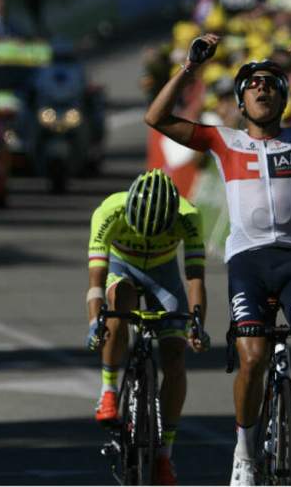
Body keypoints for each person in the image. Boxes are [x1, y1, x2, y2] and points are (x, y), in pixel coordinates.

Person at [144, 33, 291, 485]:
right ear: (241, 101)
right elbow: (156, 117)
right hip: (248, 264)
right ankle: (245, 454)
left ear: (283, 98)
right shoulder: (224, 141)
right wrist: (191, 66)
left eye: (271, 83)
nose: (262, 88)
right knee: (251, 358)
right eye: (253, 85)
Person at [85, 169, 209, 486]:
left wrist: (197, 324)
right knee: (119, 303)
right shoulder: (109, 211)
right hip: (121, 268)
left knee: (175, 357)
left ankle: (165, 454)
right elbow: (96, 284)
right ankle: (109, 390)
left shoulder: (189, 216)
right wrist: (94, 323)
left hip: (163, 275)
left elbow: (195, 278)